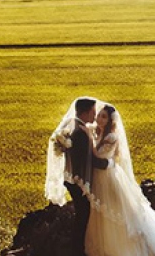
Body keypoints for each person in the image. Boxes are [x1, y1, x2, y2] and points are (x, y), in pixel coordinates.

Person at [85, 103, 155, 256]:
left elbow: (98, 155)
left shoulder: (111, 137)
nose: (99, 119)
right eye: (99, 115)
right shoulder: (99, 133)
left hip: (108, 178)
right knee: (100, 211)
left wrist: (89, 139)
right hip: (99, 177)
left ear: (110, 121)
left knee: (112, 209)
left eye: (103, 117)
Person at [45, 97, 114, 256]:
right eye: (93, 111)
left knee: (82, 214)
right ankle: (78, 250)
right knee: (82, 217)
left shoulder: (75, 125)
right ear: (87, 112)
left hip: (73, 179)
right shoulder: (81, 132)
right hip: (78, 181)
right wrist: (109, 164)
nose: (95, 115)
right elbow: (90, 160)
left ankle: (78, 249)